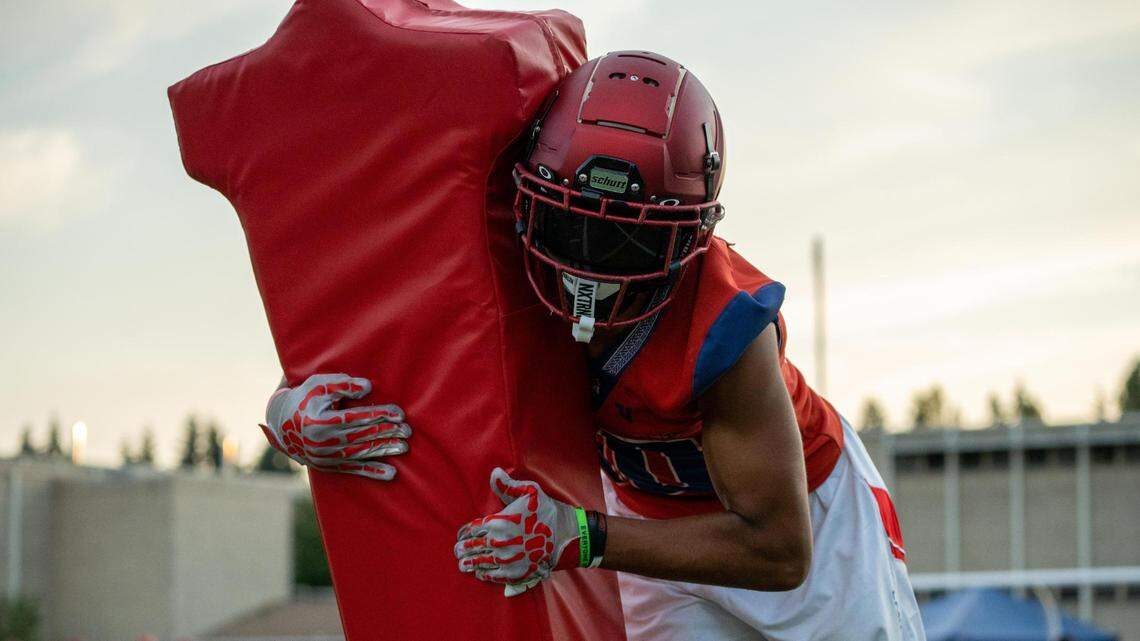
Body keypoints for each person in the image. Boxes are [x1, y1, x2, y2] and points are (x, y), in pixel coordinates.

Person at [262, 50, 925, 641]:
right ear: (527, 197)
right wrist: (297, 404)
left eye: (626, 240)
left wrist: (580, 533)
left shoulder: (724, 326)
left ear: (690, 239)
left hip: (806, 527)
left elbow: (778, 550)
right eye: (570, 225)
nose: (588, 270)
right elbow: (399, 342)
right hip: (649, 535)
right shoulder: (503, 270)